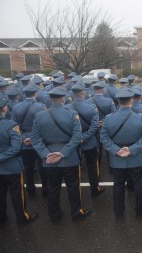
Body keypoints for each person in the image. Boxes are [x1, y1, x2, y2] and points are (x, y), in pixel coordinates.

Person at [31, 86, 91, 222]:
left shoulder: (40, 115)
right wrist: (63, 153)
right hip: (69, 157)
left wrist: (46, 154)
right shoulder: (71, 114)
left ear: (51, 99)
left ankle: (54, 215)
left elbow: (35, 138)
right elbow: (77, 137)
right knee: (73, 186)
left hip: (49, 158)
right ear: (63, 98)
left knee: (53, 188)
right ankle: (76, 213)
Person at [100, 89, 142, 220]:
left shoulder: (109, 118)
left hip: (117, 158)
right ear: (131, 101)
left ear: (118, 102)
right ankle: (140, 211)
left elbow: (104, 138)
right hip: (136, 156)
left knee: (118, 185)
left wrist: (116, 150)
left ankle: (119, 213)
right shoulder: (140, 118)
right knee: (138, 184)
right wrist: (131, 150)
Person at [0, 98, 39, 228]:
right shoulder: (11, 125)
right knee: (17, 194)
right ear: (4, 109)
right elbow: (16, 148)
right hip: (12, 167)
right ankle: (22, 217)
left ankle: (2, 217)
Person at [65, 82, 105, 197]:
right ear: (83, 92)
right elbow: (94, 127)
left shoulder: (67, 108)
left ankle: (77, 194)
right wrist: (84, 137)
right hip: (89, 141)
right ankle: (94, 188)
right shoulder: (91, 107)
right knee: (92, 166)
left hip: (73, 141)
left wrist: (77, 138)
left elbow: (66, 126)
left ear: (72, 94)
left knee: (74, 169)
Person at [11, 84, 48, 196]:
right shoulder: (41, 106)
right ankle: (45, 189)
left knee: (28, 167)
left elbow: (13, 126)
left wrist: (23, 138)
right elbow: (44, 125)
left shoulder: (16, 107)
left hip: (23, 141)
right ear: (35, 93)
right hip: (38, 140)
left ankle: (30, 189)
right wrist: (33, 138)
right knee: (42, 166)